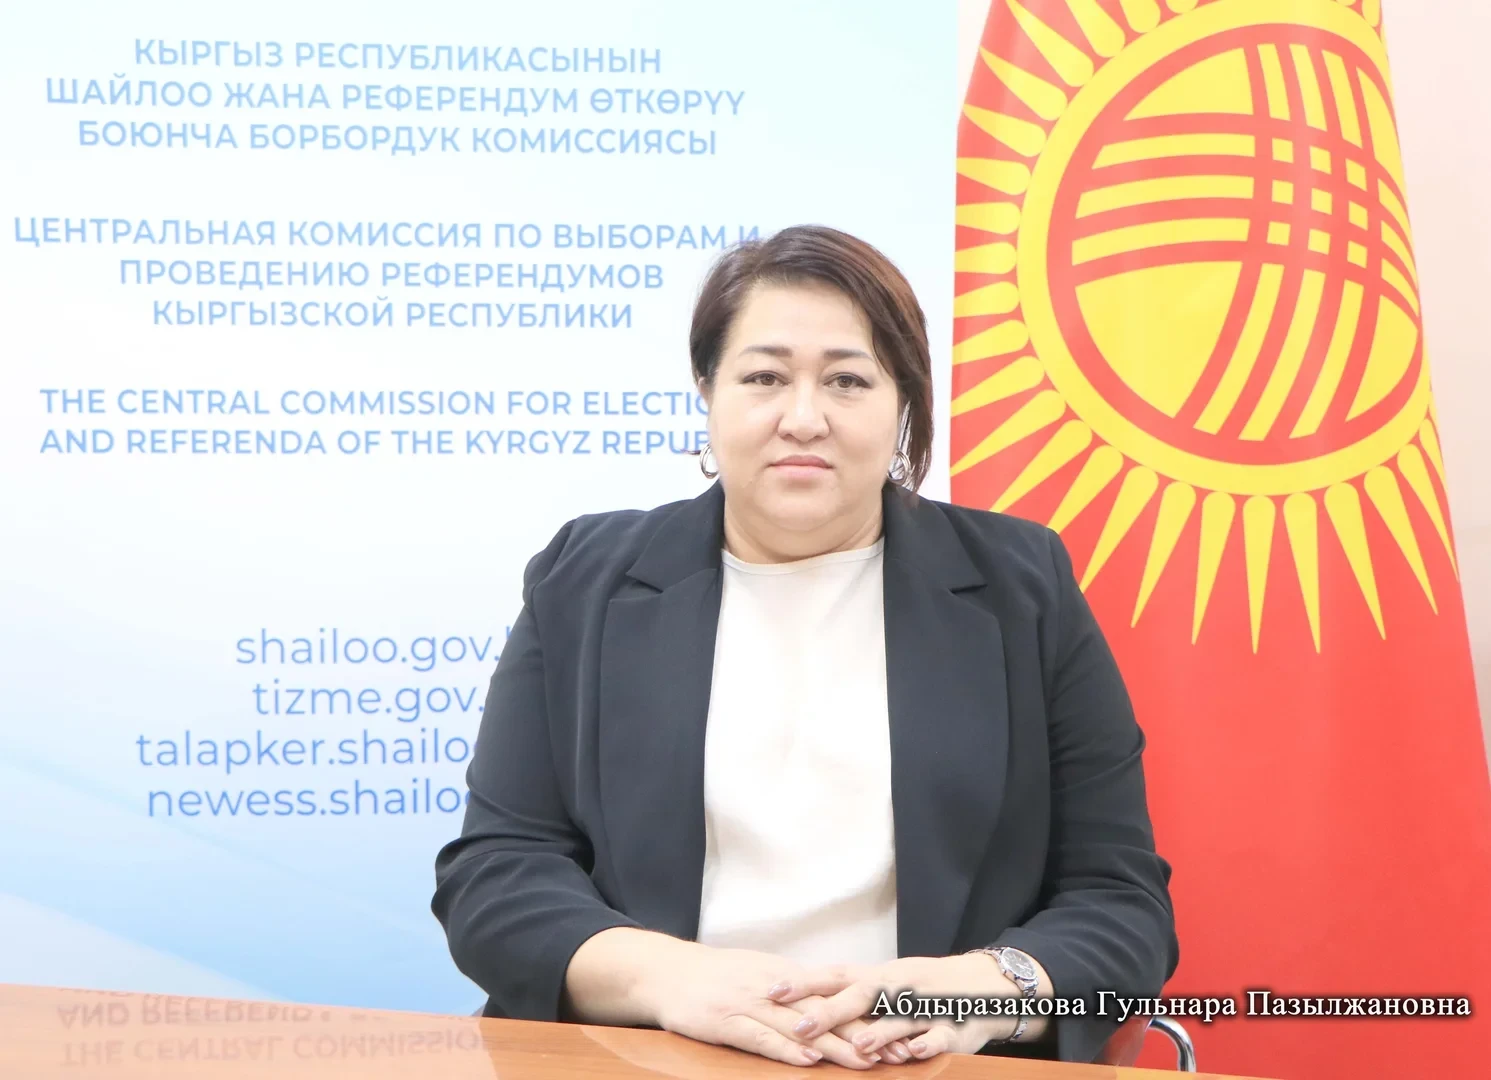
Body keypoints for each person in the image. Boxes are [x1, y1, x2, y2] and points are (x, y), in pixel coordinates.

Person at [432, 225, 1178, 1069]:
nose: (802, 418)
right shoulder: (585, 578)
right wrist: (670, 981)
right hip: (648, 1059)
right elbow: (497, 875)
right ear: (707, 390)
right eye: (763, 377)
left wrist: (973, 992)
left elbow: (1118, 903)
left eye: (847, 380)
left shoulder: (1020, 585)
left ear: (903, 403)